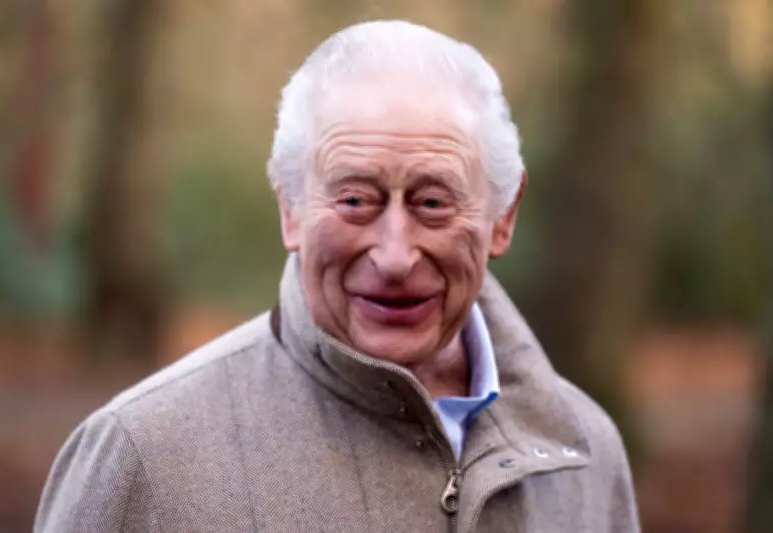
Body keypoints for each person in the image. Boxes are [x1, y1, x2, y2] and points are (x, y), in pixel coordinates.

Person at [35, 20, 640, 532]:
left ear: (502, 217)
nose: (395, 256)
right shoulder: (144, 458)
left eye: (433, 203)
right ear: (291, 209)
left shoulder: (587, 454)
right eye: (355, 200)